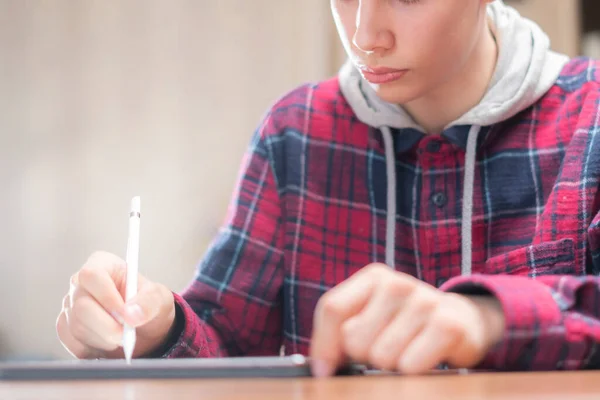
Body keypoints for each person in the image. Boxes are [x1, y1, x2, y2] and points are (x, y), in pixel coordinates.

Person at [56, 0, 600, 377]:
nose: (366, 36)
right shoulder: (294, 134)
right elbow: (224, 345)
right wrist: (155, 325)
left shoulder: (590, 116)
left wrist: (487, 318)